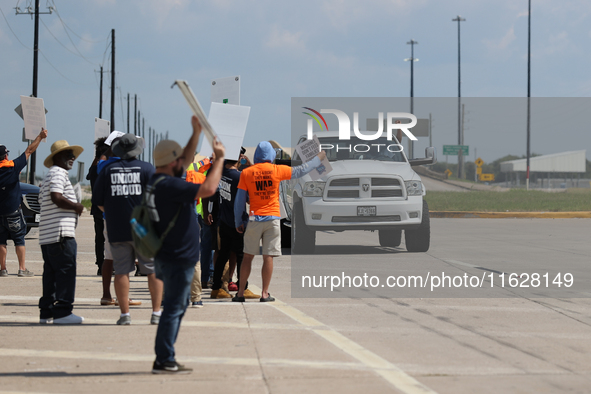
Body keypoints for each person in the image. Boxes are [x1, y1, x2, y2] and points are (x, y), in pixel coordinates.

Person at [149, 116, 224, 374]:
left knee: (175, 306)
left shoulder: (158, 180)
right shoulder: (171, 185)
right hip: (177, 256)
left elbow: (187, 160)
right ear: (173, 162)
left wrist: (196, 133)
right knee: (174, 307)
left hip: (167, 253)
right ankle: (164, 359)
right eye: (179, 159)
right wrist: (220, 159)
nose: (184, 162)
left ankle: (165, 355)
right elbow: (209, 188)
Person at [233, 141, 325, 302]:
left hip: (254, 218)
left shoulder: (246, 173)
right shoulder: (277, 170)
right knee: (268, 257)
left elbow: (239, 201)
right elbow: (302, 170)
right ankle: (265, 293)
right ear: (271, 156)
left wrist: (238, 221)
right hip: (273, 219)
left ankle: (240, 293)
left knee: (247, 256)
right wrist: (319, 158)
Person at [92, 133, 163, 325]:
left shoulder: (108, 170)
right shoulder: (147, 169)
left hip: (118, 228)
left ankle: (125, 315)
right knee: (152, 269)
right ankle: (156, 313)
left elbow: (98, 201)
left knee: (122, 271)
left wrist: (114, 213)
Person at [38, 139, 85, 324]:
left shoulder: (49, 175)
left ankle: (47, 312)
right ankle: (63, 312)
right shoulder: (59, 173)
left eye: (73, 155)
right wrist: (76, 206)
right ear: (57, 157)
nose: (72, 158)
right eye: (68, 155)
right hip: (60, 235)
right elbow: (56, 197)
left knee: (51, 275)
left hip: (48, 236)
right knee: (66, 272)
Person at [0, 129, 47, 277]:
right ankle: (22, 269)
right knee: (19, 239)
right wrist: (40, 136)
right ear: (6, 155)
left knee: (1, 241)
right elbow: (29, 150)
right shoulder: (12, 167)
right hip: (13, 211)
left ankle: (3, 269)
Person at [210, 158, 259, 299]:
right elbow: (249, 199)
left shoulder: (220, 174)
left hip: (224, 220)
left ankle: (216, 288)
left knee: (223, 255)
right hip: (238, 222)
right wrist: (249, 165)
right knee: (242, 256)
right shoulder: (239, 176)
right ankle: (242, 288)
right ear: (238, 159)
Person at [86, 137, 109, 276]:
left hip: (96, 208)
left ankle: (101, 265)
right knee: (110, 239)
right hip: (109, 209)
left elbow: (89, 175)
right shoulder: (108, 167)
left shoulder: (95, 167)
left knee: (99, 238)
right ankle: (109, 265)